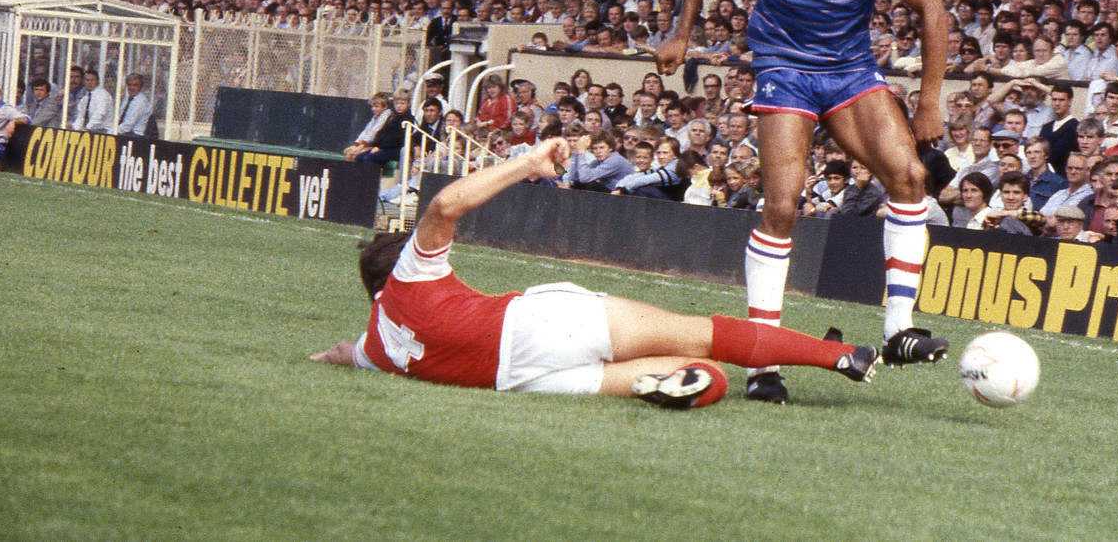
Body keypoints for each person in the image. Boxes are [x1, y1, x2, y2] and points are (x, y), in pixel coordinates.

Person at [656, 0, 948, 403]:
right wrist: (681, 30)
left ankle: (897, 329)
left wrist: (930, 99)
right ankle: (761, 363)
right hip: (784, 68)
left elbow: (930, 6)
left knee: (910, 178)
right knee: (783, 204)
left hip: (850, 70)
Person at [309, 138, 880, 409]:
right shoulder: (408, 276)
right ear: (398, 270)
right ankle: (839, 354)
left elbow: (343, 351)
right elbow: (443, 208)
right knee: (700, 333)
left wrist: (329, 356)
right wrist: (528, 163)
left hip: (526, 381)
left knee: (707, 373)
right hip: (536, 325)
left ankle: (664, 385)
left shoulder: (377, 345)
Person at [72, 69, 114, 133]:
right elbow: (80, 117)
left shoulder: (103, 95)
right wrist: (74, 129)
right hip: (91, 129)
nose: (89, 83)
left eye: (92, 80)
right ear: (83, 82)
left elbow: (99, 113)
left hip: (104, 130)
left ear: (97, 82)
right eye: (87, 80)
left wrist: (87, 128)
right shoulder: (84, 98)